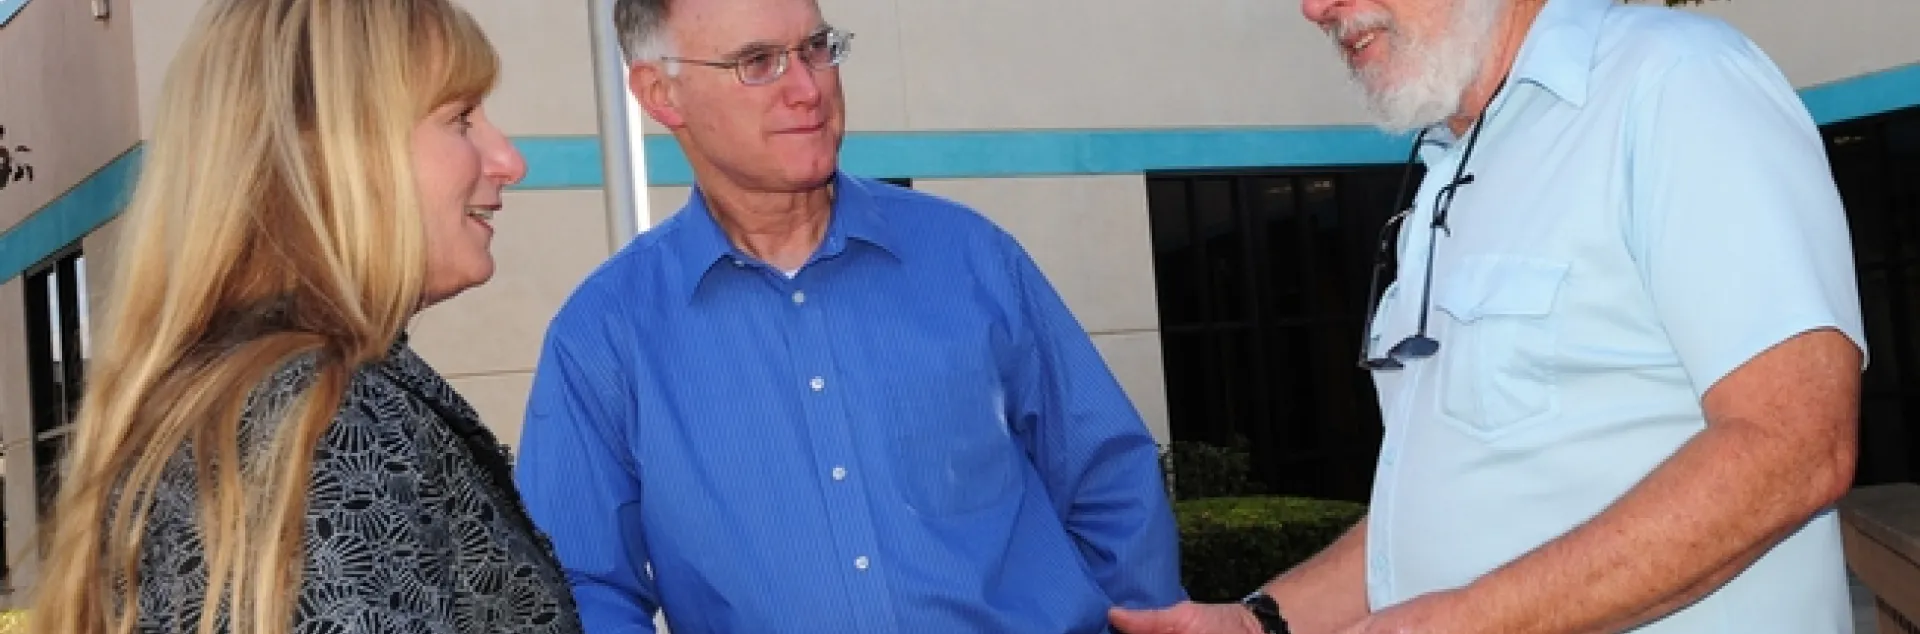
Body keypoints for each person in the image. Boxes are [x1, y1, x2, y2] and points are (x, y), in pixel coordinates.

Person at [1110, 0, 1865, 632]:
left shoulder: (1676, 81)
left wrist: (1467, 621)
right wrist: (1262, 622)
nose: (1313, 8)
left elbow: (1794, 443)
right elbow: (1433, 514)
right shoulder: (1447, 173)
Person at [511, 0, 1186, 631]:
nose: (807, 88)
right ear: (661, 94)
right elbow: (579, 589)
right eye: (757, 63)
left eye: (816, 49)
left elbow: (1108, 478)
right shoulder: (602, 335)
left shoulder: (970, 259)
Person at [28, 1, 583, 633]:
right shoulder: (327, 425)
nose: (509, 160)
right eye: (460, 119)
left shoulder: (238, 398)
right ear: (328, 152)